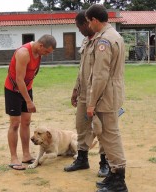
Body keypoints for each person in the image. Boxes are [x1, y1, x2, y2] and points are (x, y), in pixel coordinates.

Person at [85, 4, 128, 192]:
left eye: (88, 22)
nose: (88, 26)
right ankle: (113, 174)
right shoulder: (114, 35)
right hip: (112, 92)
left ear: (95, 20)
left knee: (110, 137)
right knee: (108, 135)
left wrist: (91, 102)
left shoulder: (104, 40)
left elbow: (100, 75)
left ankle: (118, 180)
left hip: (105, 95)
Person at [64, 11, 110, 178]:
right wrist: (75, 89)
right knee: (81, 126)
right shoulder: (85, 41)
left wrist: (95, 97)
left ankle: (105, 163)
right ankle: (82, 159)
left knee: (101, 129)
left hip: (99, 95)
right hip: (84, 94)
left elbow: (102, 73)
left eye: (79, 27)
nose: (79, 30)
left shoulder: (102, 41)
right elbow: (82, 68)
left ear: (88, 22)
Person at [4, 34, 56, 170]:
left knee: (26, 122)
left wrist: (28, 97)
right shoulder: (23, 53)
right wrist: (28, 101)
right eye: (46, 51)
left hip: (27, 89)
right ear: (40, 46)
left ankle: (26, 155)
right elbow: (19, 79)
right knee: (15, 123)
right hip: (13, 90)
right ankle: (14, 158)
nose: (46, 55)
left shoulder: (38, 53)